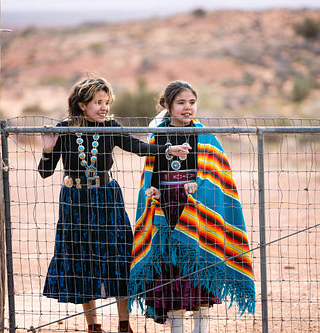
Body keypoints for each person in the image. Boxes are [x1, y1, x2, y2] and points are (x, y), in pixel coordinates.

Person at [37, 77, 191, 333]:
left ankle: (123, 323)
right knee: (82, 259)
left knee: (118, 256)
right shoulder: (63, 129)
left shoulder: (110, 127)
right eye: (98, 102)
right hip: (74, 203)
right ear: (81, 104)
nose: (104, 107)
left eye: (106, 102)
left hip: (107, 198)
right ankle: (93, 326)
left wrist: (169, 149)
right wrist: (48, 149)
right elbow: (44, 172)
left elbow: (140, 147)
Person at [128, 81, 256, 333]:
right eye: (181, 103)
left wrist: (200, 186)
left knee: (201, 277)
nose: (188, 108)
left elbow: (217, 176)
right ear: (167, 105)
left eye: (192, 102)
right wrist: (151, 190)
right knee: (170, 276)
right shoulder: (158, 134)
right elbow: (151, 173)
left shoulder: (205, 136)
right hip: (166, 213)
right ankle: (176, 328)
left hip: (200, 214)